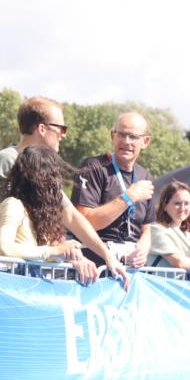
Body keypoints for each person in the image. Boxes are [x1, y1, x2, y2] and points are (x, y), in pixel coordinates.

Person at [0, 146, 128, 288]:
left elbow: (41, 254)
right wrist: (55, 250)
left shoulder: (37, 214)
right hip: (10, 285)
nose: (56, 187)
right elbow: (4, 248)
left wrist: (74, 259)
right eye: (51, 179)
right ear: (39, 180)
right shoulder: (13, 205)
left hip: (27, 286)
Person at [0, 96, 67, 253]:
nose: (64, 135)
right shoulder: (7, 162)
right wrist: (54, 251)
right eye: (62, 129)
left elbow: (69, 215)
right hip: (7, 268)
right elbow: (5, 247)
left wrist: (68, 252)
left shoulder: (31, 208)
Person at [72, 112, 156, 267]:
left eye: (133, 137)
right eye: (121, 135)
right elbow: (83, 222)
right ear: (113, 136)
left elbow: (147, 228)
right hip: (97, 265)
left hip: (131, 266)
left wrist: (143, 249)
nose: (126, 141)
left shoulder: (144, 176)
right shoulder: (94, 167)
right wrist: (127, 198)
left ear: (145, 141)